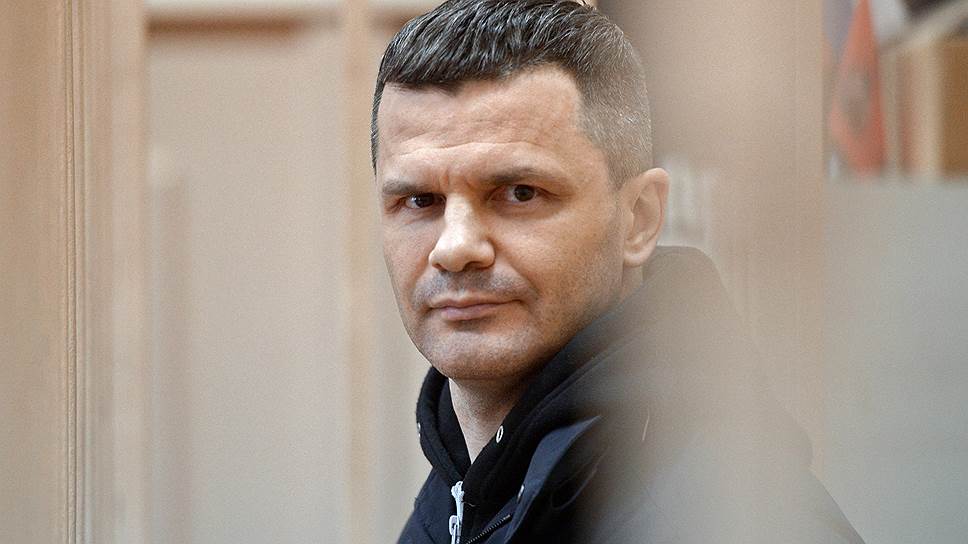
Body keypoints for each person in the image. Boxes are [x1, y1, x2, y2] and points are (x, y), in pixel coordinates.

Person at [370, 1, 865, 542]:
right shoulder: (460, 497)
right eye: (420, 200)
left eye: (520, 193)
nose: (456, 247)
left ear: (639, 219)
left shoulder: (737, 523)